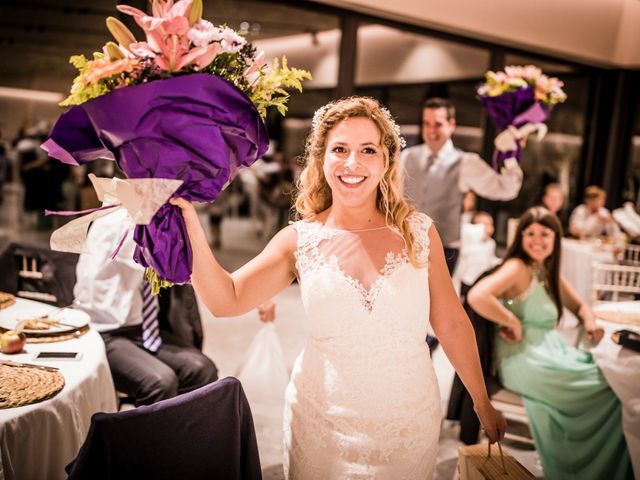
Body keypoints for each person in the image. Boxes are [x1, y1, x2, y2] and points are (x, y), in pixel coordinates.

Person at [171, 96, 506, 479]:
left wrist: (481, 401)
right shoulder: (300, 239)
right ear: (321, 158)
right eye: (340, 149)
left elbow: (451, 322)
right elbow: (225, 300)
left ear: (386, 160)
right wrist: (189, 225)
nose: (352, 163)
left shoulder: (419, 232)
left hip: (408, 424)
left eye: (367, 150)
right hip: (321, 426)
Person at [467, 206, 631, 480]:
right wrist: (512, 321)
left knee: (612, 378)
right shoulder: (517, 266)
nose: (537, 240)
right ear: (520, 238)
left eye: (545, 234)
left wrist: (589, 320)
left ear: (556, 238)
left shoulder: (544, 269)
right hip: (524, 358)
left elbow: (580, 305)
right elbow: (477, 295)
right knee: (607, 385)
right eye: (530, 234)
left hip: (554, 352)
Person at [74, 208, 218, 406]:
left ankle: (184, 434)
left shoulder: (150, 216)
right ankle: (149, 436)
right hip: (105, 331)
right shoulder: (117, 221)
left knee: (202, 369)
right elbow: (171, 264)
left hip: (140, 328)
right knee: (160, 382)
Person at [401, 97, 523, 274]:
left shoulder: (466, 162)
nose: (431, 130)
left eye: (438, 124)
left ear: (452, 125)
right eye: (426, 124)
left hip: (444, 249)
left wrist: (511, 155)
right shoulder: (406, 157)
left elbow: (505, 190)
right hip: (405, 244)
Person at [453, 211, 501, 296]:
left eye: (491, 225)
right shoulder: (466, 242)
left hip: (481, 280)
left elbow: (490, 259)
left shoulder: (491, 243)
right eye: (485, 225)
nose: (489, 228)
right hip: (466, 280)